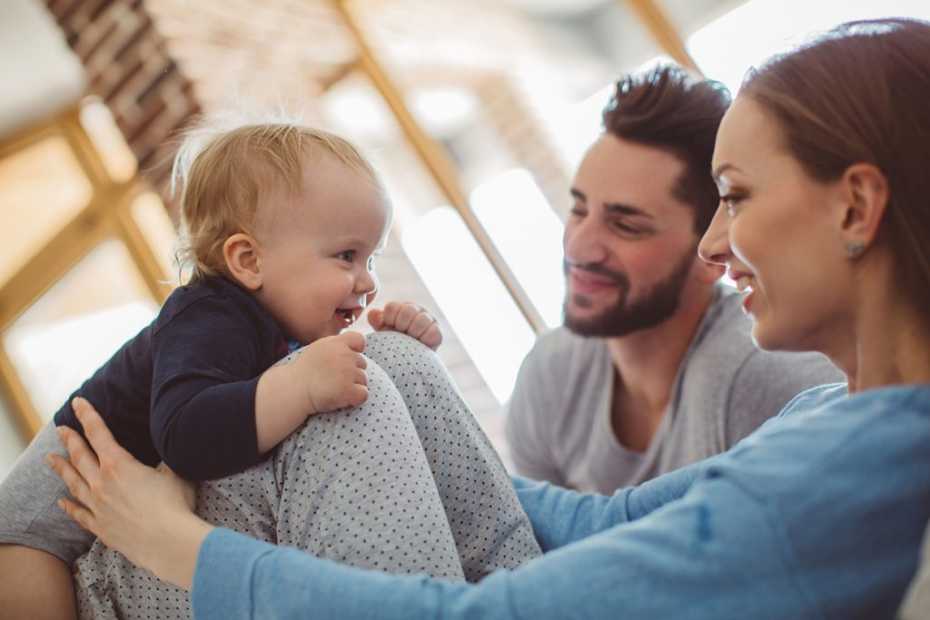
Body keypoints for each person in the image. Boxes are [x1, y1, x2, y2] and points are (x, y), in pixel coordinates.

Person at [47, 17, 930, 619]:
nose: (713, 242)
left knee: (348, 408)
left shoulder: (857, 462)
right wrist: (425, 431)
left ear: (856, 208)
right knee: (387, 364)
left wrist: (183, 550)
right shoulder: (831, 417)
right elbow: (608, 527)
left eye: (735, 196)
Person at [0, 121, 542, 618]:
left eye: (371, 259)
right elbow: (187, 435)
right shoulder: (208, 315)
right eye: (346, 256)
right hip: (29, 539)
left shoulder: (273, 320)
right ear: (248, 261)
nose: (367, 280)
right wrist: (299, 386)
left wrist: (395, 341)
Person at [505, 65, 842, 492]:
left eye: (626, 226)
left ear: (711, 251)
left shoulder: (771, 379)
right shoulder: (549, 375)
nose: (578, 248)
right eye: (578, 210)